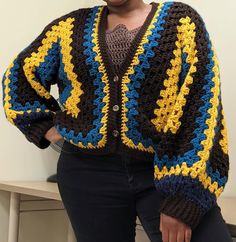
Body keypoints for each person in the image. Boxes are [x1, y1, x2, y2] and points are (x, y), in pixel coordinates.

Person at [1, 0, 233, 241]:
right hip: (86, 174)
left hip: (164, 171)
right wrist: (44, 127)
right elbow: (19, 77)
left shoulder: (181, 21)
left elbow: (201, 105)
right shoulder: (69, 27)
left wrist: (183, 195)